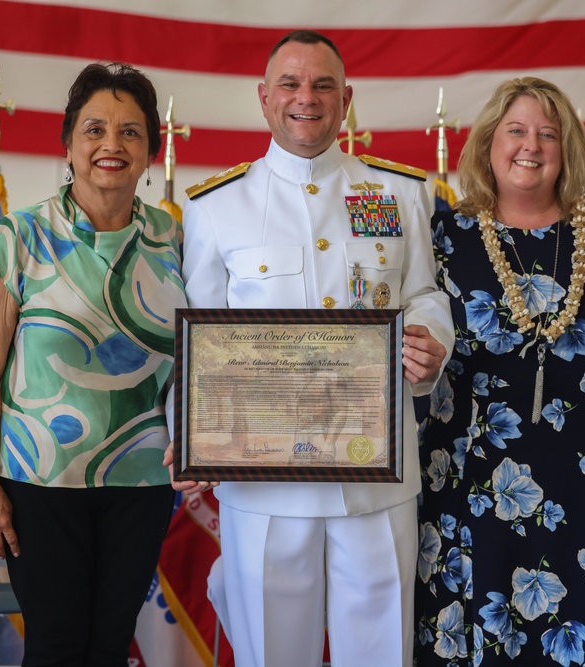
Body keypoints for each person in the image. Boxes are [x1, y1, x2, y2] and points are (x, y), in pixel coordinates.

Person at [175, 29, 452, 667]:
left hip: (376, 480)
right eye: (292, 84)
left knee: (381, 653)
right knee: (272, 655)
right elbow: (197, 332)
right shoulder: (216, 206)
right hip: (264, 482)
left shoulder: (399, 193)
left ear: (347, 99)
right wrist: (189, 430)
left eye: (324, 84)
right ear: (265, 98)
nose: (308, 97)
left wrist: (430, 340)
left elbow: (425, 294)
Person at [415, 77, 585, 666]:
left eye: (547, 133)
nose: (530, 145)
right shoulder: (445, 237)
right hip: (472, 475)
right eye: (516, 130)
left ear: (569, 148)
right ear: (487, 143)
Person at [0, 62, 186, 664]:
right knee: (58, 647)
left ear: (149, 153)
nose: (111, 145)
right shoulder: (19, 236)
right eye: (94, 129)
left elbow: (205, 356)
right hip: (39, 482)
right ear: (68, 144)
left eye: (130, 132)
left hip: (141, 483)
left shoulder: (178, 240)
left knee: (111, 647)